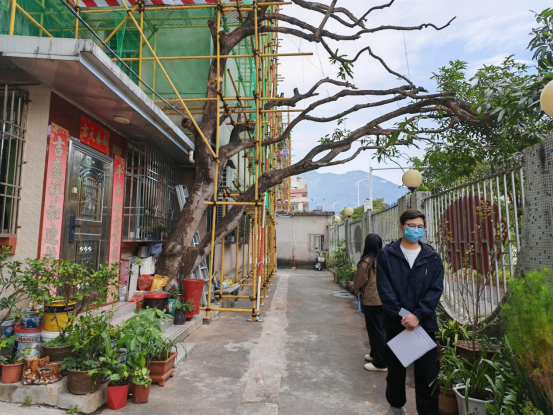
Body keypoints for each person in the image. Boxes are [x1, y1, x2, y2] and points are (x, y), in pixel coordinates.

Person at [376, 209, 444, 415]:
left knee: (428, 375)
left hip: (424, 326)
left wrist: (418, 315)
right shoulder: (387, 254)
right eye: (411, 226)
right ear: (401, 227)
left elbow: (435, 289)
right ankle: (396, 407)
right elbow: (385, 289)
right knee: (395, 373)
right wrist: (403, 316)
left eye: (420, 227)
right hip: (396, 324)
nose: (416, 230)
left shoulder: (432, 257)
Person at [353, 233, 387, 372]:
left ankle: (381, 363)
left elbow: (359, 282)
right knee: (380, 329)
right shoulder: (385, 260)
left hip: (372, 300)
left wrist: (358, 291)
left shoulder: (366, 263)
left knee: (375, 330)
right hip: (386, 300)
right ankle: (374, 354)